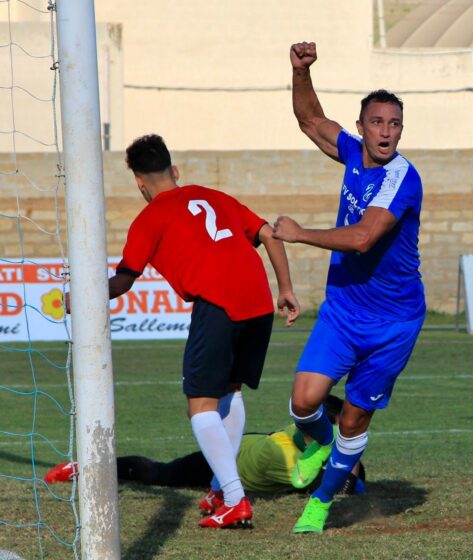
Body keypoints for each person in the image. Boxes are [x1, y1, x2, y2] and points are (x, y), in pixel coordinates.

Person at [68, 134, 301, 528]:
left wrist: (85, 295)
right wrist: (287, 289)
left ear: (140, 183)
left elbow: (124, 281)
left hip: (219, 302)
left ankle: (237, 499)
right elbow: (266, 233)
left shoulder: (149, 217)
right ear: (174, 171)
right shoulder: (214, 196)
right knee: (229, 391)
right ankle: (221, 488)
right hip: (258, 298)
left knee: (200, 404)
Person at [272, 41, 426, 534]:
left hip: (394, 321)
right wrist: (299, 71)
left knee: (354, 421)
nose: (386, 132)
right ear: (361, 127)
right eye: (377, 123)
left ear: (402, 129)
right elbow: (310, 119)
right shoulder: (352, 154)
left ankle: (319, 503)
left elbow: (362, 239)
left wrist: (300, 234)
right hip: (344, 308)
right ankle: (318, 447)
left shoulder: (403, 178)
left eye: (394, 124)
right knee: (303, 401)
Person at [45, 396, 366, 499]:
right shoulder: (282, 456)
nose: (343, 431)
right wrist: (349, 454)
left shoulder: (299, 435)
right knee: (161, 473)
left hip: (247, 442)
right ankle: (85, 468)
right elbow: (348, 487)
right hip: (220, 464)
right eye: (338, 425)